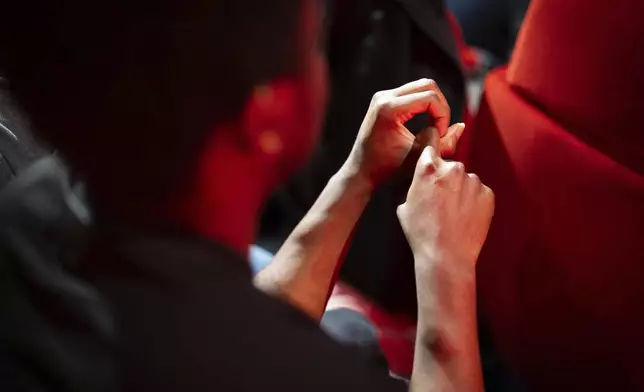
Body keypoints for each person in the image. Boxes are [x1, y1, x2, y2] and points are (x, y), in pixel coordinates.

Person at [0, 1, 494, 391]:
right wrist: (444, 262)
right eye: (314, 46)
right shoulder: (284, 374)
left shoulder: (30, 211)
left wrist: (357, 179)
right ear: (270, 111)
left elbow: (225, 321)